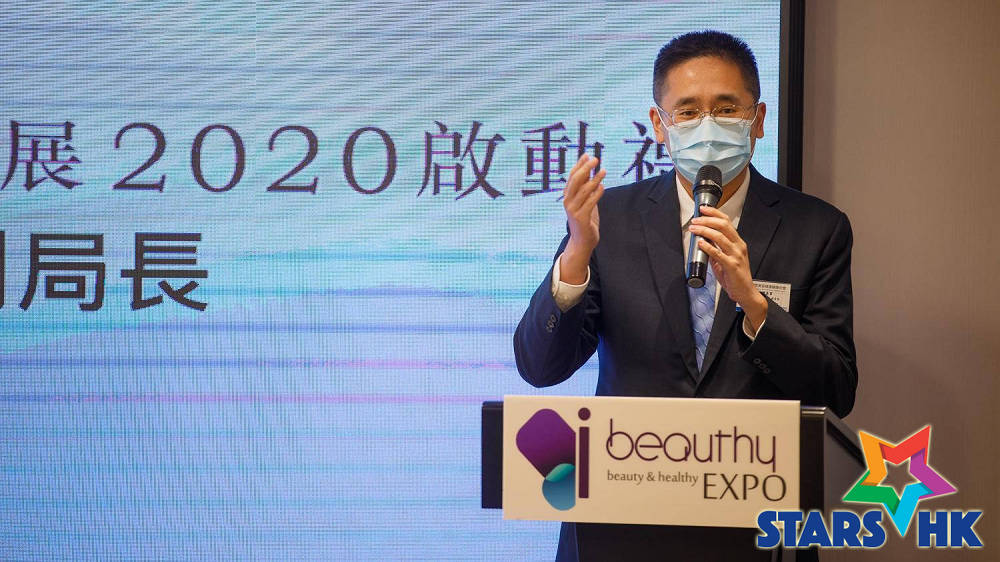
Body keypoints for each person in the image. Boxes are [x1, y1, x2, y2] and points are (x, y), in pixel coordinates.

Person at [512, 30, 857, 561]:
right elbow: (540, 367)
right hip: (623, 519)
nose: (708, 125)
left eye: (727, 108)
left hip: (759, 521)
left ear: (758, 119)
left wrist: (754, 305)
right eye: (688, 111)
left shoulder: (816, 229)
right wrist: (577, 256)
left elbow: (837, 388)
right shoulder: (611, 220)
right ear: (660, 125)